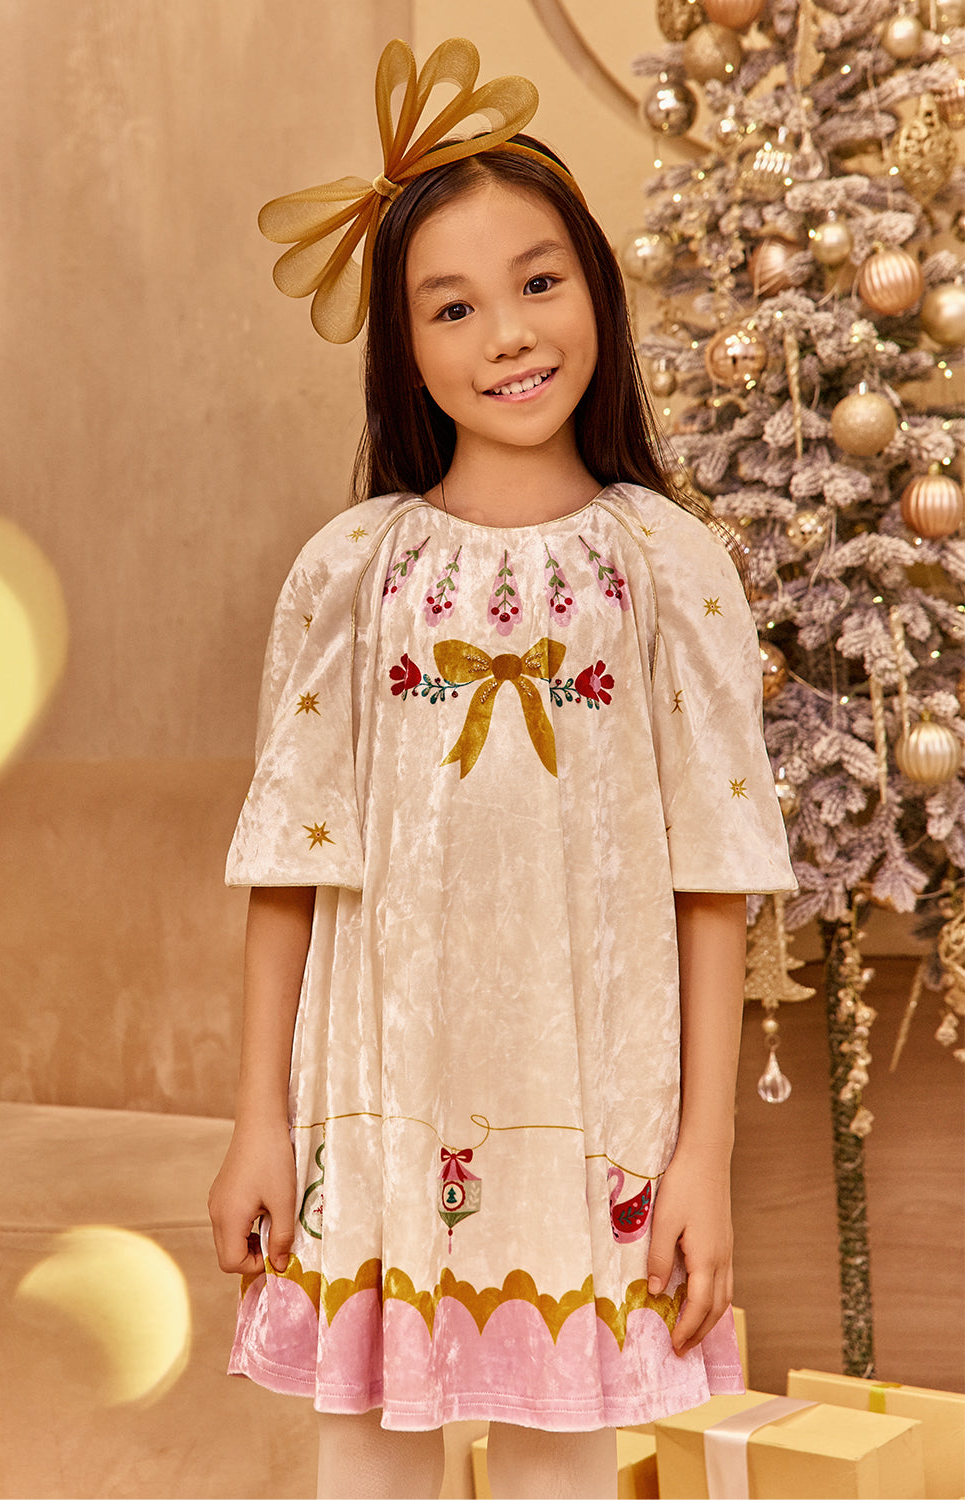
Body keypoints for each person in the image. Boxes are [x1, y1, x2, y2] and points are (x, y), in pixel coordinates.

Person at [208, 37, 796, 1500]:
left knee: (563, 1465)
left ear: (597, 286)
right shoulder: (355, 573)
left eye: (538, 283)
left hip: (593, 1120)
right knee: (370, 1467)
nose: (507, 334)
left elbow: (711, 880)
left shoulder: (668, 566)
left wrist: (701, 1161)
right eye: (451, 306)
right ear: (404, 348)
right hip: (379, 1117)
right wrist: (257, 1126)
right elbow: (293, 867)